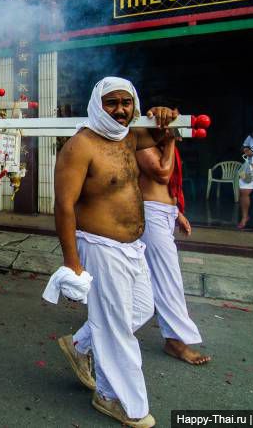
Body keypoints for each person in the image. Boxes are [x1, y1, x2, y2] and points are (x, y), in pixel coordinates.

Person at [54, 77, 177, 427]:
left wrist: (163, 115)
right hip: (99, 247)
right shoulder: (80, 145)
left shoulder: (131, 136)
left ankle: (80, 345)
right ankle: (115, 398)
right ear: (97, 104)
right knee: (116, 330)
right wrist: (72, 264)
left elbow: (164, 135)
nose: (120, 110)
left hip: (132, 248)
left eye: (126, 102)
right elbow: (63, 206)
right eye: (112, 102)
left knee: (142, 308)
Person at [136, 127, 210, 366]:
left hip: (164, 212)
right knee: (168, 279)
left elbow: (166, 186)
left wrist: (176, 212)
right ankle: (175, 340)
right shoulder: (142, 139)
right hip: (151, 213)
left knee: (153, 278)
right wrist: (169, 141)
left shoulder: (157, 141)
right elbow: (162, 174)